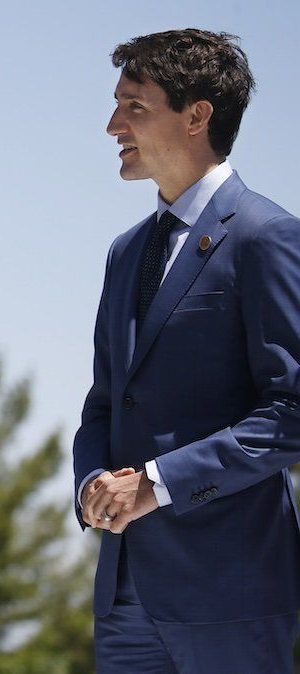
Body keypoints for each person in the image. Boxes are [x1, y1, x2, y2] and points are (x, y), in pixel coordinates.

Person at [74, 29, 300, 673]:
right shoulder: (125, 253)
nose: (113, 123)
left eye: (134, 106)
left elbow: (291, 410)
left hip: (230, 595)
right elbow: (104, 404)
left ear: (197, 115)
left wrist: (159, 483)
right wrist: (92, 479)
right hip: (124, 598)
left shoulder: (268, 238)